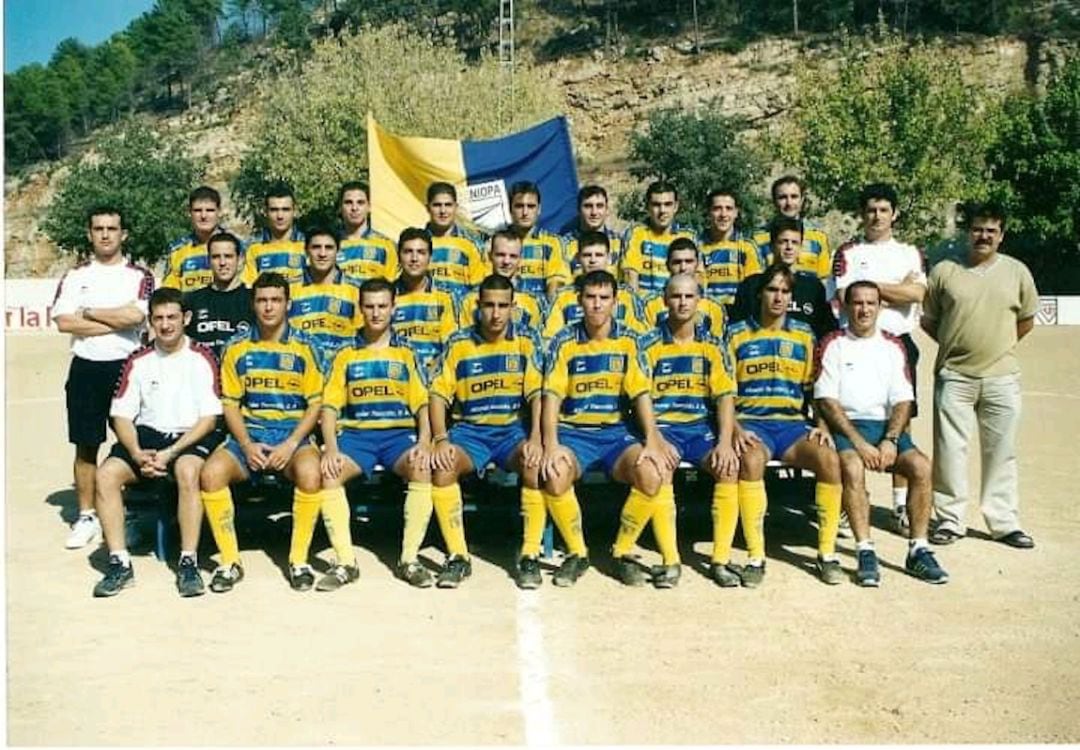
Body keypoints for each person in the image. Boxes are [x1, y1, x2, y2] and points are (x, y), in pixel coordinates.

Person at [540, 270, 678, 587]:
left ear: (615, 302)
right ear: (579, 301)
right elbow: (552, 398)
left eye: (604, 298)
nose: (597, 305)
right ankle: (578, 553)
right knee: (555, 474)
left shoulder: (629, 340)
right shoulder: (564, 341)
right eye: (590, 298)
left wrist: (653, 439)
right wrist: (551, 443)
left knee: (651, 473)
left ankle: (622, 552)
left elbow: (641, 393)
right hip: (574, 434)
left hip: (617, 434)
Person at [198, 272, 327, 593]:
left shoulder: (307, 346)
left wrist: (292, 442)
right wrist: (246, 443)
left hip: (292, 434)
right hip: (250, 433)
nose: (268, 307)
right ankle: (230, 562)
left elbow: (315, 404)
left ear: (288, 304)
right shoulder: (236, 346)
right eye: (262, 300)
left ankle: (298, 560)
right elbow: (230, 403)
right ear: (252, 304)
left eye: (275, 300)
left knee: (311, 475)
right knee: (211, 474)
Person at [814, 281, 949, 586]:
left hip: (885, 429)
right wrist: (860, 444)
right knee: (850, 465)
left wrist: (890, 439)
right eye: (858, 303)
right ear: (846, 307)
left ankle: (919, 550)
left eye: (870, 303)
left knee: (921, 466)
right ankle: (865, 550)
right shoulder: (833, 343)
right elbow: (827, 402)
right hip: (848, 427)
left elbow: (903, 399)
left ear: (880, 307)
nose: (864, 309)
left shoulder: (893, 346)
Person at [91, 288, 223, 597]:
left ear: (185, 319)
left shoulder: (202, 356)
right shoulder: (138, 359)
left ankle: (188, 562)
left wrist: (171, 452)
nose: (165, 325)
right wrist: (137, 453)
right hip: (147, 437)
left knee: (188, 472)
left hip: (189, 435)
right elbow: (122, 416)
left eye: (172, 317)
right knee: (105, 475)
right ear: (150, 321)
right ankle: (119, 563)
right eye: (158, 318)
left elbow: (209, 419)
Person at [921, 202, 1038, 550]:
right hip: (954, 376)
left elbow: (1027, 320)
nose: (983, 236)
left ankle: (1003, 523)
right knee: (949, 451)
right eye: (977, 229)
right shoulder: (944, 271)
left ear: (1001, 235)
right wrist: (959, 344)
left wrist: (996, 347)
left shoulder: (1017, 272)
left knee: (1001, 451)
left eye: (991, 230)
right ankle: (950, 520)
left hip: (1002, 377)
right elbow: (929, 320)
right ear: (966, 232)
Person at [725, 263, 844, 587]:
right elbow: (723, 393)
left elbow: (814, 389)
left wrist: (821, 423)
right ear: (760, 293)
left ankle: (827, 553)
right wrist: (734, 428)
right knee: (750, 460)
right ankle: (755, 557)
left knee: (829, 460)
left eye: (784, 291)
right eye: (772, 290)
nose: (778, 297)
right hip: (753, 424)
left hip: (791, 426)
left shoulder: (804, 335)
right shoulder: (736, 334)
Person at [429, 275, 545, 589]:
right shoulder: (458, 342)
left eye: (502, 306)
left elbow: (537, 395)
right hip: (469, 433)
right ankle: (458, 556)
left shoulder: (527, 339)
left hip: (512, 432)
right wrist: (440, 439)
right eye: (489, 305)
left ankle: (530, 555)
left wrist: (536, 438)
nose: (495, 313)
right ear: (478, 306)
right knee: (442, 468)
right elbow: (438, 396)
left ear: (513, 307)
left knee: (535, 464)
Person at [52, 206, 154, 550]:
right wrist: (117, 320)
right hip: (86, 368)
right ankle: (86, 515)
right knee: (86, 444)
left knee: (134, 443)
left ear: (123, 234)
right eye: (99, 228)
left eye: (112, 228)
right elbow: (64, 322)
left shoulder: (139, 275)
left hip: (128, 368)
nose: (106, 234)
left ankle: (131, 514)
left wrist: (91, 313)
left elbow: (136, 317)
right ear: (89, 233)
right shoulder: (75, 275)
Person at [320, 277, 432, 589]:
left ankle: (409, 559)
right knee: (330, 472)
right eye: (369, 306)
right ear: (360, 308)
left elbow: (422, 404)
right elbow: (329, 408)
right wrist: (330, 447)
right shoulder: (345, 353)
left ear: (394, 307)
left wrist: (424, 441)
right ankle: (345, 563)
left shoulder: (408, 353)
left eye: (383, 306)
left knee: (422, 466)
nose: (376, 313)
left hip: (398, 437)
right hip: (357, 439)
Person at [832, 183, 928, 533]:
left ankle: (900, 506)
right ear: (862, 214)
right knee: (851, 416)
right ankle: (852, 501)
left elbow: (916, 292)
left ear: (895, 213)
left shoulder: (909, 253)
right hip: (856, 343)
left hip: (898, 342)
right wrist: (892, 288)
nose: (877, 216)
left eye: (884, 210)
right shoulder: (848, 251)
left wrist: (868, 285)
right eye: (871, 210)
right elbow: (846, 295)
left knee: (901, 421)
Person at [639, 274, 741, 588]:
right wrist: (654, 440)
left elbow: (724, 396)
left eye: (688, 297)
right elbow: (640, 396)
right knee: (661, 469)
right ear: (664, 300)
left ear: (699, 301)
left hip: (699, 429)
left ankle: (721, 560)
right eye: (676, 296)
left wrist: (724, 442)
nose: (682, 303)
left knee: (729, 467)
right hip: (664, 428)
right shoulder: (648, 343)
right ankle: (671, 562)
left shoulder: (713, 345)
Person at [731, 217, 838, 340]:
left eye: (794, 242)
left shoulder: (813, 288)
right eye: (783, 241)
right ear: (771, 245)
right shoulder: (751, 285)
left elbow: (827, 333)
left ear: (801, 247)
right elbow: (737, 329)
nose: (789, 247)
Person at [544, 230, 648, 339]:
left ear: (609, 258)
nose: (593, 260)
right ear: (578, 258)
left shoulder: (626, 296)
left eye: (599, 255)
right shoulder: (563, 297)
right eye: (587, 255)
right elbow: (551, 337)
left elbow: (639, 337)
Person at [288, 228, 362, 372]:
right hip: (298, 373)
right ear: (306, 251)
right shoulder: (289, 288)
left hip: (340, 374)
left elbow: (362, 338)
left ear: (338, 252)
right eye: (316, 247)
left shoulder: (356, 290)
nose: (322, 254)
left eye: (329, 248)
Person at [390, 227, 459, 379]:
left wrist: (431, 376)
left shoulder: (446, 297)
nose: (414, 259)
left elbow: (451, 346)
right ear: (398, 255)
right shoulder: (386, 296)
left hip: (435, 379)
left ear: (430, 258)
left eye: (421, 252)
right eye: (408, 252)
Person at [456, 230, 548, 334]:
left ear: (521, 259)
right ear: (490, 256)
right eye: (500, 255)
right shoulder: (470, 301)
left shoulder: (533, 303)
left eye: (513, 256)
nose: (506, 261)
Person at [183, 231, 254, 361]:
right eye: (216, 257)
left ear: (240, 260)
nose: (222, 263)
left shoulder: (253, 300)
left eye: (228, 256)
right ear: (208, 261)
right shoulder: (192, 301)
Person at [621, 180, 695, 296]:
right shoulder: (636, 233)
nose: (662, 211)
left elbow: (698, 277)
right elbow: (630, 275)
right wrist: (636, 310)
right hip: (644, 308)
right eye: (656, 205)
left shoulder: (689, 236)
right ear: (647, 206)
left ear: (676, 206)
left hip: (677, 307)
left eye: (667, 204)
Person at [642, 238, 726, 337]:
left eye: (689, 261)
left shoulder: (714, 307)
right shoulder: (650, 305)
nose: (683, 268)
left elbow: (717, 348)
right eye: (677, 262)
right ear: (667, 265)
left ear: (697, 264)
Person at [753, 175, 832, 280]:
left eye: (794, 197)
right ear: (774, 201)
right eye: (782, 197)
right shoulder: (758, 239)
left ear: (802, 199)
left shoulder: (818, 238)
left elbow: (824, 279)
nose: (789, 203)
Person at [699, 188, 764, 307]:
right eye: (717, 208)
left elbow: (753, 288)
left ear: (736, 213)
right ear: (709, 212)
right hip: (706, 315)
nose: (723, 214)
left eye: (728, 209)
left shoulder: (747, 247)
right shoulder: (697, 246)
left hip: (737, 316)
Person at [506, 181, 571, 300]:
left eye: (531, 206)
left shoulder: (553, 243)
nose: (525, 213)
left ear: (539, 209)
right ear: (510, 209)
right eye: (519, 206)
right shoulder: (496, 243)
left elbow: (555, 286)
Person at [424, 182, 488, 300]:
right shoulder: (417, 243)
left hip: (463, 315)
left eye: (448, 205)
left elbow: (480, 287)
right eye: (437, 205)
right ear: (428, 208)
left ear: (456, 207)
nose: (443, 211)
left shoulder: (473, 243)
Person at [162, 186, 227, 292]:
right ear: (189, 212)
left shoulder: (236, 247)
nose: (203, 216)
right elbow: (169, 294)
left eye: (210, 210)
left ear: (219, 212)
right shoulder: (177, 250)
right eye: (197, 210)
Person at [241, 182, 306, 285]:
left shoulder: (308, 245)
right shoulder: (253, 248)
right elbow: (249, 287)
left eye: (285, 210)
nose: (280, 216)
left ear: (295, 212)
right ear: (265, 212)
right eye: (274, 210)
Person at [336, 180, 398, 283]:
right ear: (340, 207)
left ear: (369, 207)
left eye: (360, 202)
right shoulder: (328, 246)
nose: (354, 208)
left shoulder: (386, 246)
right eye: (348, 203)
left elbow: (393, 286)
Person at [561, 185, 624, 276]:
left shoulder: (620, 243)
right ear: (578, 209)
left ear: (607, 210)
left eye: (599, 206)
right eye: (588, 206)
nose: (594, 212)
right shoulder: (563, 245)